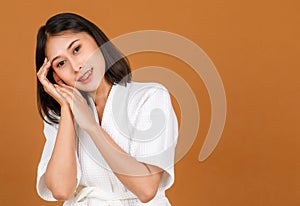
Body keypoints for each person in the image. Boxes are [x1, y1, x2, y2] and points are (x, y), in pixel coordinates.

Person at [35, 12, 178, 206]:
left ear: (96, 40)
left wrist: (91, 126)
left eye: (77, 49)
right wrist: (68, 111)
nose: (76, 66)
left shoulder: (149, 97)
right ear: (55, 76)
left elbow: (146, 189)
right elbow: (61, 189)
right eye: (61, 63)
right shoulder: (59, 118)